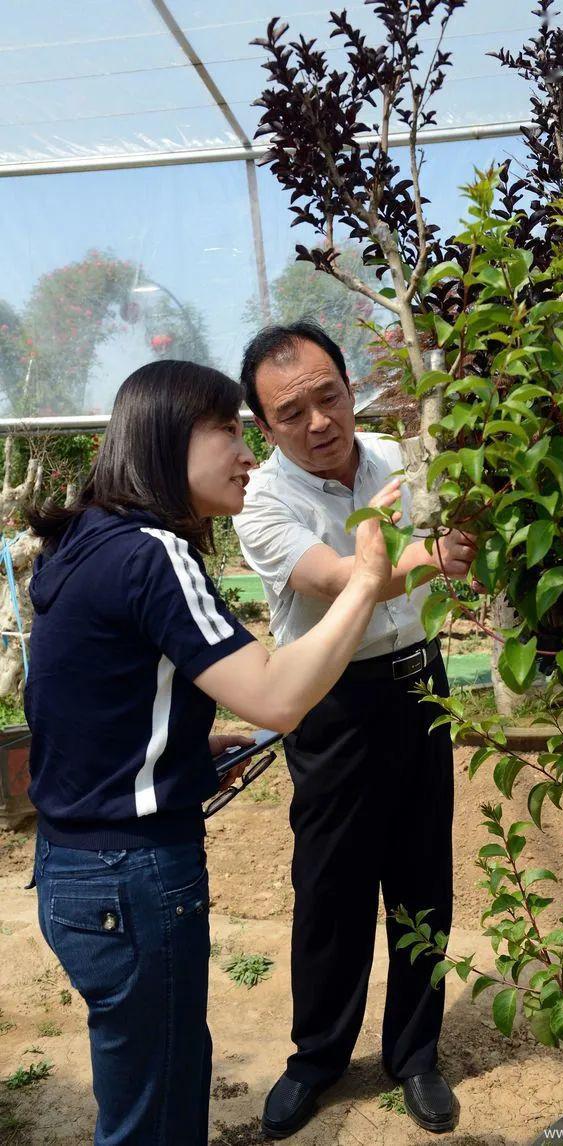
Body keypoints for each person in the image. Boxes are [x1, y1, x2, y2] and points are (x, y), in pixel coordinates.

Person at [25, 359, 400, 1146]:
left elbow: (89, 693)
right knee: (156, 1113)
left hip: (74, 870)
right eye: (229, 429)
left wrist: (181, 741)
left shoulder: (86, 542)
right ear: (166, 437)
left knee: (154, 1076)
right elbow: (275, 696)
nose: (248, 454)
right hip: (133, 878)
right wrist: (366, 579)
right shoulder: (154, 551)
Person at [233, 321, 477, 1138]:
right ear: (263, 428)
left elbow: (439, 552)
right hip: (332, 704)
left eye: (329, 397)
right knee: (331, 889)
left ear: (349, 386)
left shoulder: (401, 462)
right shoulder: (263, 501)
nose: (319, 424)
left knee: (422, 878)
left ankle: (415, 1055)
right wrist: (422, 551)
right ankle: (318, 1058)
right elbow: (344, 582)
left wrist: (460, 546)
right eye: (291, 413)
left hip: (420, 685)